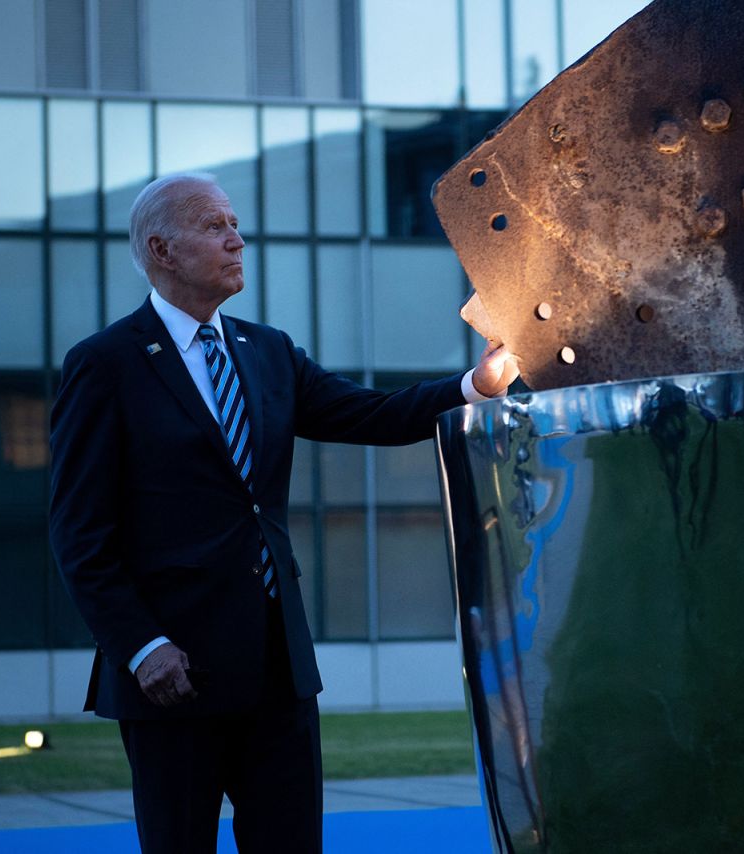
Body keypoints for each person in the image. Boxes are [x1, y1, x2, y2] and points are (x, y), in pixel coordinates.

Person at [48, 172, 518, 853]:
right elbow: (78, 533)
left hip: (277, 666)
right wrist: (141, 647)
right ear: (161, 249)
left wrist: (477, 384)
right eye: (215, 227)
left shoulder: (266, 351)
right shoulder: (105, 364)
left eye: (235, 223)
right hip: (171, 675)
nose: (238, 240)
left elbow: (372, 414)